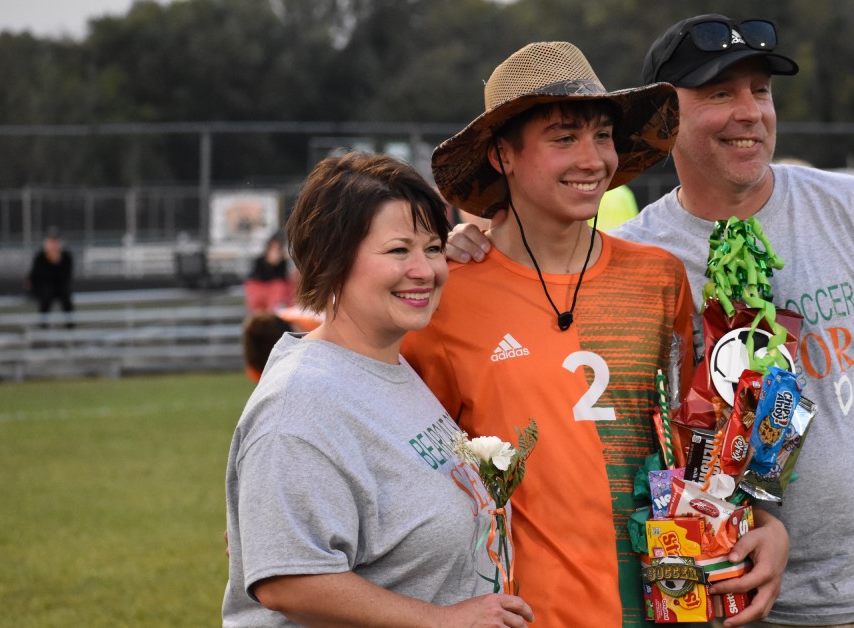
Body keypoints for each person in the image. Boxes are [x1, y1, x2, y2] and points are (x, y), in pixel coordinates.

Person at [447, 16, 854, 627]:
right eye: (720, 94)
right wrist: (472, 251)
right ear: (669, 118)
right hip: (715, 602)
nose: (749, 112)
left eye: (761, 91)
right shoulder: (638, 263)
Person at [401, 41, 789, 627]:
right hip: (520, 614)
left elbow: (698, 446)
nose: (592, 159)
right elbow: (403, 462)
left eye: (601, 136)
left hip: (669, 604)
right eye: (564, 138)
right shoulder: (446, 298)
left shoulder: (658, 278)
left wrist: (763, 523)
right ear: (504, 155)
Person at [222, 151, 533, 627]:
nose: (425, 270)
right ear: (331, 259)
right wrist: (442, 620)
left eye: (432, 247)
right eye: (398, 250)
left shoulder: (387, 366)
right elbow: (285, 578)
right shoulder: (301, 401)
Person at [26, 228, 75, 328]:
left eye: (56, 241)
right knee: (46, 295)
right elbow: (37, 276)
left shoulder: (66, 257)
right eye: (51, 242)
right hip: (44, 289)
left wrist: (56, 260)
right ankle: (43, 325)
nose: (54, 245)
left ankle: (70, 326)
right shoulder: (40, 257)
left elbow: (66, 276)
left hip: (60, 289)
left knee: (66, 297)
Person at [243, 235, 293, 312]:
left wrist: (276, 265)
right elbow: (257, 277)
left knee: (279, 287)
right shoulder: (260, 261)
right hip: (260, 288)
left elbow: (282, 279)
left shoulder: (282, 262)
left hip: (274, 292)